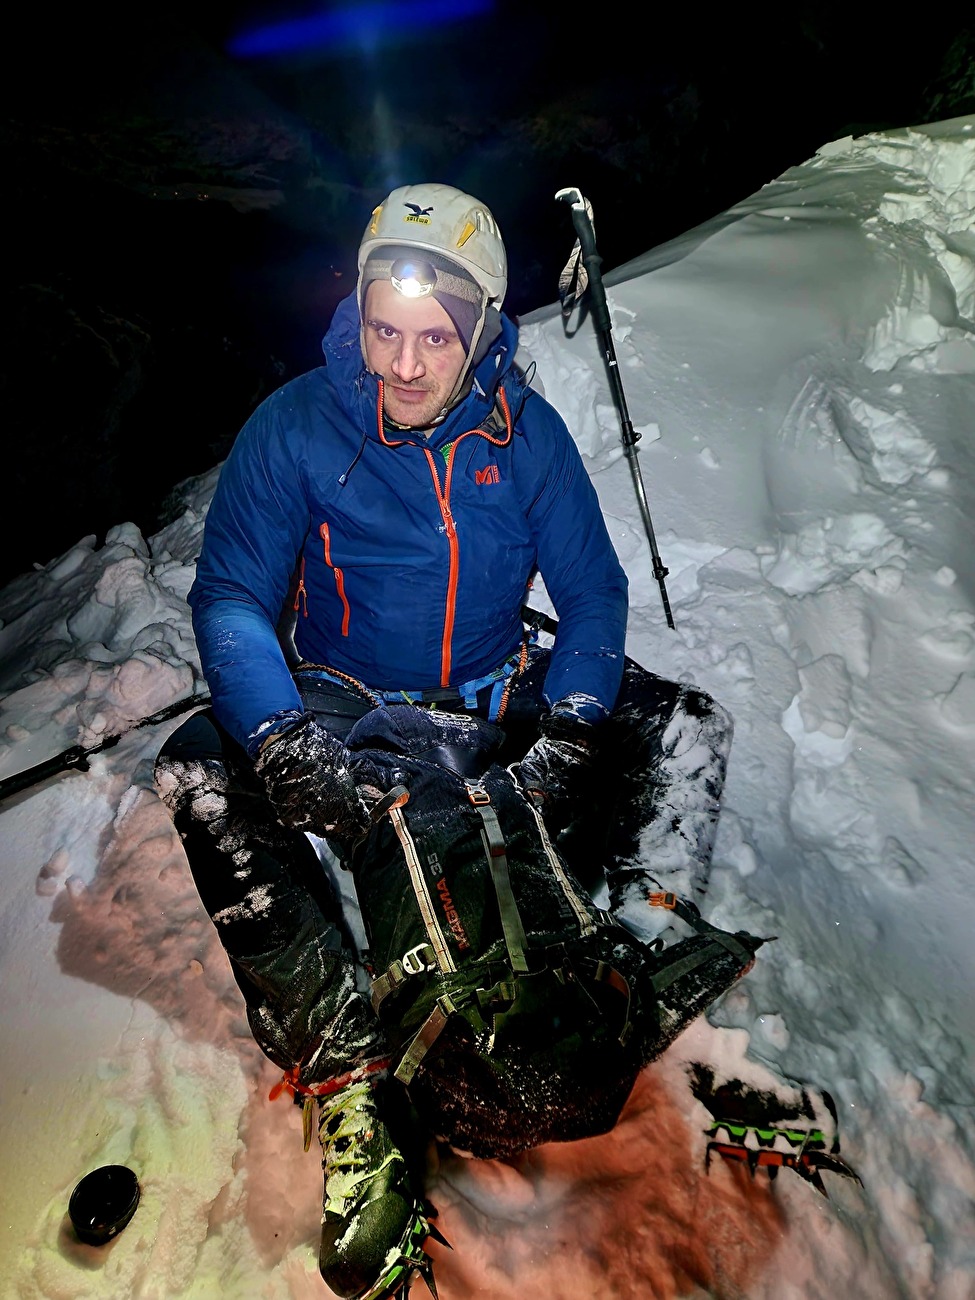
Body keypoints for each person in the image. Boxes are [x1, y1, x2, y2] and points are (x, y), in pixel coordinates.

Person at [154, 183, 737, 1300]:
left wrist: (568, 725)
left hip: (487, 693)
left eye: (435, 337)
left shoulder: (525, 440)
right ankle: (348, 1069)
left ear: (481, 333)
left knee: (671, 719)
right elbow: (231, 593)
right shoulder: (299, 426)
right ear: (357, 314)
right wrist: (278, 736)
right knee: (201, 766)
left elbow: (593, 595)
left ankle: (635, 930)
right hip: (344, 702)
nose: (406, 366)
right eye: (385, 329)